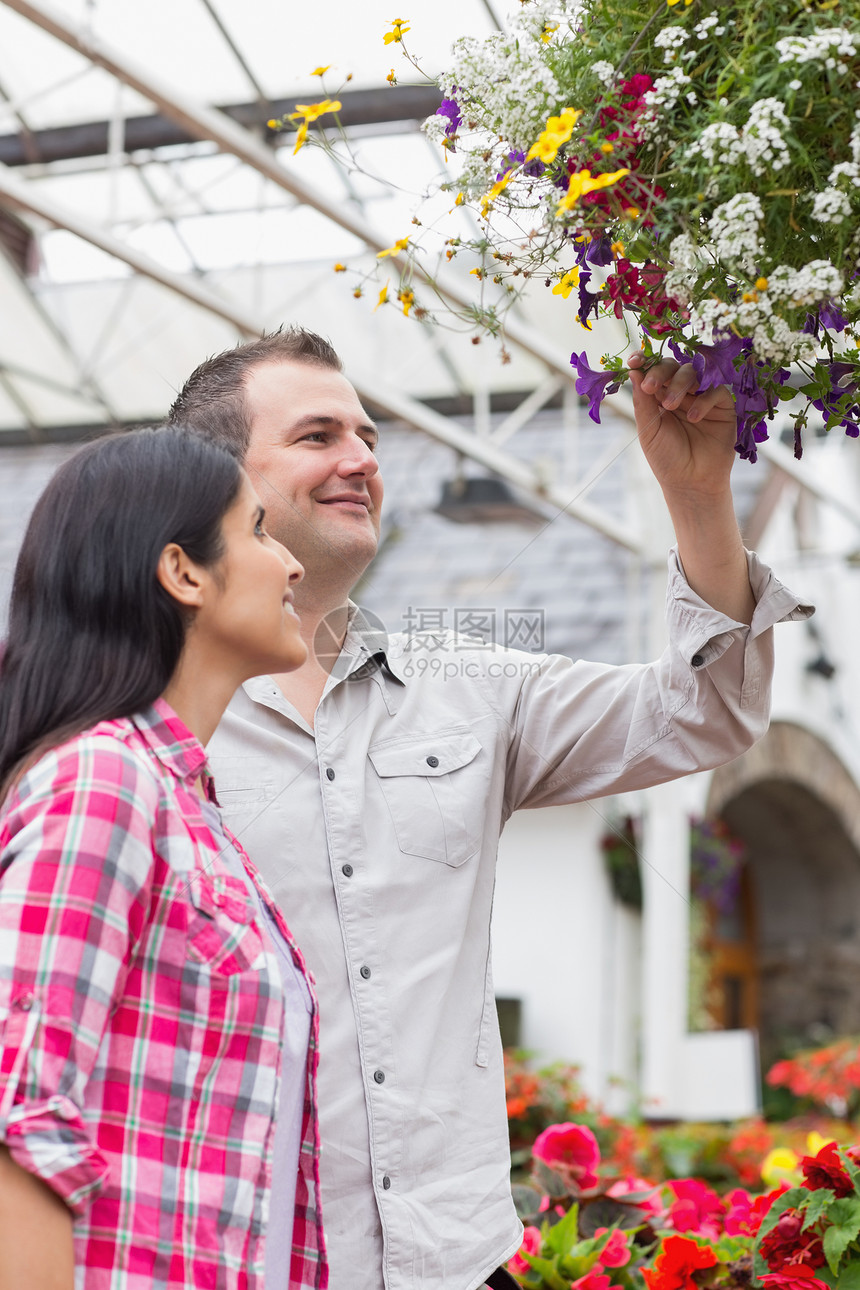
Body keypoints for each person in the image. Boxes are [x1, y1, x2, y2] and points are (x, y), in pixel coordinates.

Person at [168, 330, 810, 1290]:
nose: (364, 460)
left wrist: (697, 496)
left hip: (459, 1260)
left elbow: (703, 712)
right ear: (217, 482)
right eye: (318, 436)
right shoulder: (142, 724)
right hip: (241, 1260)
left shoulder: (468, 686)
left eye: (368, 435)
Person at [0, 427, 328, 1289]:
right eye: (259, 530)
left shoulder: (192, 809)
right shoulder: (103, 782)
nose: (290, 565)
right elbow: (19, 1114)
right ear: (184, 572)